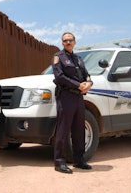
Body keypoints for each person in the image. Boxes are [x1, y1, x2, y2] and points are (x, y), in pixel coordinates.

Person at [52, 32, 93, 174]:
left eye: (70, 40)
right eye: (65, 41)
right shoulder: (58, 57)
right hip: (66, 96)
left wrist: (89, 83)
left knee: (79, 129)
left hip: (78, 98)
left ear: (75, 42)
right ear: (62, 43)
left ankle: (79, 160)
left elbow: (86, 74)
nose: (68, 42)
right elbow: (59, 77)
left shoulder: (78, 59)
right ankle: (60, 162)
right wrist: (78, 85)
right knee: (63, 130)